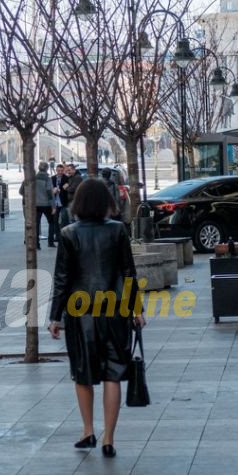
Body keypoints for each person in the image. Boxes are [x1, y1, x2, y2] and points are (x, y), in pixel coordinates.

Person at [48, 177, 145, 457]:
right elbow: (129, 273)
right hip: (115, 311)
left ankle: (88, 430)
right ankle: (108, 439)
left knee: (84, 375)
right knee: (113, 373)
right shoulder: (117, 232)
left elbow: (62, 280)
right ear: (106, 202)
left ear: (78, 203)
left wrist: (56, 317)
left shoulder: (68, 234)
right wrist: (137, 309)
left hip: (80, 314)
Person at [19, 161, 57, 248]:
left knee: (36, 223)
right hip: (47, 204)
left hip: (35, 205)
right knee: (51, 222)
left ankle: (36, 244)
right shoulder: (47, 179)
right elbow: (50, 193)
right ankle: (50, 242)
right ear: (47, 169)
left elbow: (22, 191)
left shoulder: (32, 179)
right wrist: (53, 206)